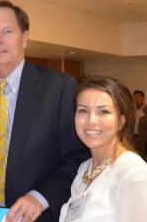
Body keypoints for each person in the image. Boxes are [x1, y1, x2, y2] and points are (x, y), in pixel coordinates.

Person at [0, 0, 90, 222]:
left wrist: (40, 197)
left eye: (8, 31)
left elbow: (78, 157)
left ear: (24, 38)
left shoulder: (59, 88)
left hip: (35, 216)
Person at [59, 76, 147, 222]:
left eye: (104, 111)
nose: (91, 121)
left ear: (121, 120)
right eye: (83, 111)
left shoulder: (133, 174)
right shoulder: (85, 168)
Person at [133, 90, 147, 157]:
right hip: (132, 136)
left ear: (143, 98)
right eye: (134, 97)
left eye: (138, 97)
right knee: (133, 154)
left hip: (143, 137)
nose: (136, 99)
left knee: (142, 156)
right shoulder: (131, 109)